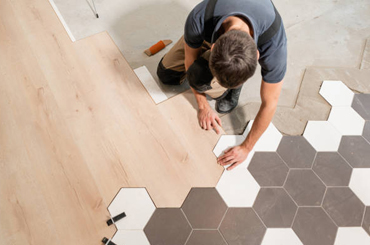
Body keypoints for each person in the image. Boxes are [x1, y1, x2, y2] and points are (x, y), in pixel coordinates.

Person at [156, 0, 287, 170]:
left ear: (256, 55)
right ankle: (229, 75)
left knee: (211, 85)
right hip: (208, 32)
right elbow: (190, 60)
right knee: (166, 75)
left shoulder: (273, 43)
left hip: (230, 37)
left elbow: (270, 103)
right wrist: (202, 105)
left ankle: (234, 80)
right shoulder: (199, 18)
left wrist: (246, 147)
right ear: (214, 46)